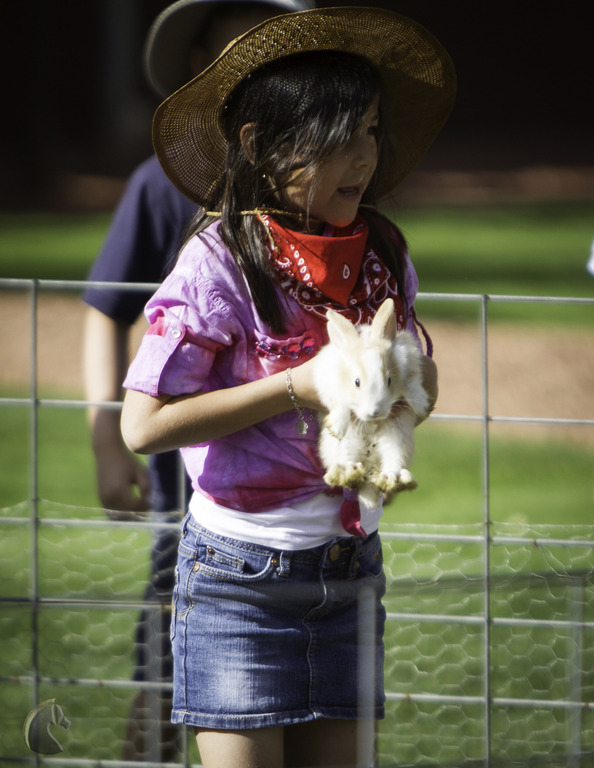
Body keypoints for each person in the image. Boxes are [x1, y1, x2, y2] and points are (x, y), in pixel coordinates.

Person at [120, 6, 455, 767]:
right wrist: (296, 385)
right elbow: (141, 427)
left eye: (370, 130)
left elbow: (410, 386)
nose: (363, 157)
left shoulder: (382, 254)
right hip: (238, 583)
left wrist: (410, 383)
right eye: (337, 136)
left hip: (350, 570)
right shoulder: (216, 268)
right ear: (259, 144)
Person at [82, 0, 313, 761]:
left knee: (299, 669)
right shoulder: (161, 186)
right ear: (198, 70)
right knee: (171, 626)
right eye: (231, 55)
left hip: (295, 496)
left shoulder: (310, 190)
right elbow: (105, 310)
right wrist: (106, 443)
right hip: (194, 483)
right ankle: (148, 741)